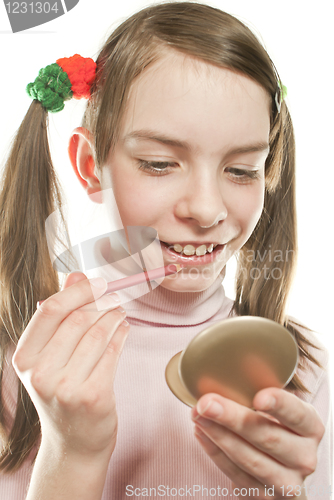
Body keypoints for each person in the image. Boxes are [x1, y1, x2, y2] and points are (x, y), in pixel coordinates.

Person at [0, 2, 331, 499]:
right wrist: (72, 451)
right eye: (159, 163)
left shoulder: (306, 372)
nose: (205, 209)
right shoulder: (26, 364)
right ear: (91, 165)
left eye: (241, 169)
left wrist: (281, 492)